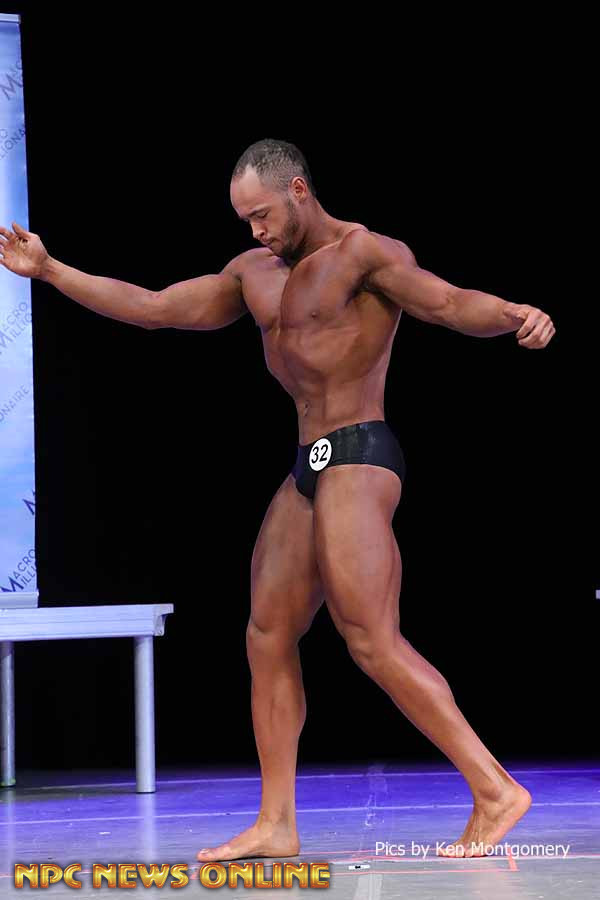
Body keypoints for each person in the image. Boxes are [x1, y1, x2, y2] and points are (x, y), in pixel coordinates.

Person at [0, 138, 555, 862]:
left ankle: (494, 789)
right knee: (266, 633)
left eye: (262, 215)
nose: (256, 230)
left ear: (298, 190)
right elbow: (156, 308)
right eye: (245, 221)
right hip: (309, 461)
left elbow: (448, 302)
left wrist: (513, 314)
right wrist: (50, 270)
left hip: (360, 450)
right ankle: (277, 822)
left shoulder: (364, 254)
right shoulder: (251, 274)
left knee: (371, 638)